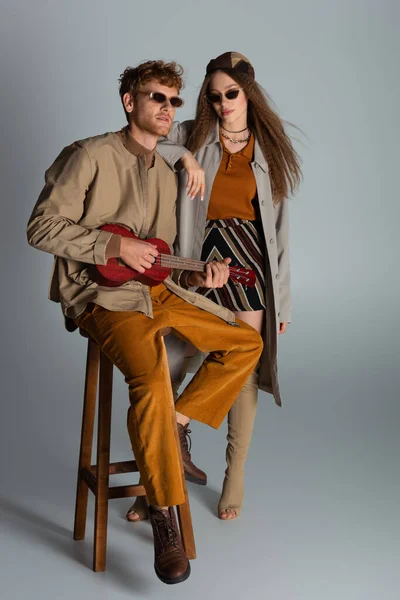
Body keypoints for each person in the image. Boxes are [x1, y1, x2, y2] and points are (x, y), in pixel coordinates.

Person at [26, 60, 263, 585]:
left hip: (154, 293)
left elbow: (160, 261)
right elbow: (40, 226)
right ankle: (163, 516)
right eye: (156, 98)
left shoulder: (165, 173)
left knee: (246, 342)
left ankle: (173, 424)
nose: (167, 109)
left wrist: (203, 278)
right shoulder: (88, 155)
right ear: (130, 102)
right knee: (151, 377)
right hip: (102, 298)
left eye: (175, 102)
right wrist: (112, 244)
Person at [127, 51, 302, 523]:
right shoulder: (192, 133)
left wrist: (281, 302)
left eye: (231, 93)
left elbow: (281, 232)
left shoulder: (270, 148)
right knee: (175, 360)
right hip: (198, 261)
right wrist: (184, 154)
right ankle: (160, 478)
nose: (223, 103)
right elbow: (141, 142)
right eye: (214, 95)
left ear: (248, 93)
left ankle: (235, 475)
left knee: (242, 364)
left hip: (250, 266)